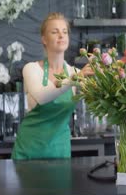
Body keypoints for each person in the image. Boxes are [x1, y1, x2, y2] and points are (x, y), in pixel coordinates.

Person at [11, 12, 92, 160]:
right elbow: (42, 96)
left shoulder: (75, 73)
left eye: (65, 32)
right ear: (44, 39)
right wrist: (75, 79)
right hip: (29, 150)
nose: (61, 35)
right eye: (54, 32)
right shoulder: (31, 69)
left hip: (59, 151)